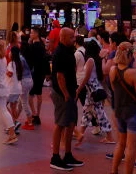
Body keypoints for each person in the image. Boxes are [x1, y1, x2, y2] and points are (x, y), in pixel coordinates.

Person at [50, 27, 84, 170]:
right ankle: (55, 157)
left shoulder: (69, 50)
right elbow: (59, 76)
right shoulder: (59, 53)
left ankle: (68, 155)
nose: (74, 39)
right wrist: (65, 94)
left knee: (70, 124)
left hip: (70, 92)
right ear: (63, 38)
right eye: (71, 37)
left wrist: (74, 90)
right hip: (62, 94)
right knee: (60, 124)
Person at [109, 42, 136, 174]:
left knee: (120, 143)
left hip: (119, 111)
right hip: (133, 112)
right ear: (130, 55)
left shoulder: (113, 70)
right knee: (131, 147)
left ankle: (114, 170)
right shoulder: (132, 72)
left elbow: (114, 89)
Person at [75, 37, 114, 145]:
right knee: (87, 112)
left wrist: (79, 89)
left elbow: (86, 77)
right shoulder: (97, 59)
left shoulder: (90, 60)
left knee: (100, 113)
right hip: (92, 90)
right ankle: (80, 134)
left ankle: (110, 136)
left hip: (92, 90)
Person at [25, 27, 48, 127]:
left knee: (30, 95)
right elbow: (45, 59)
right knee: (39, 94)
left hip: (34, 73)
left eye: (31, 33)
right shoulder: (42, 46)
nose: (30, 35)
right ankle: (38, 114)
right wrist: (47, 73)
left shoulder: (33, 46)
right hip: (41, 73)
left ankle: (34, 114)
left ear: (36, 34)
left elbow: (29, 59)